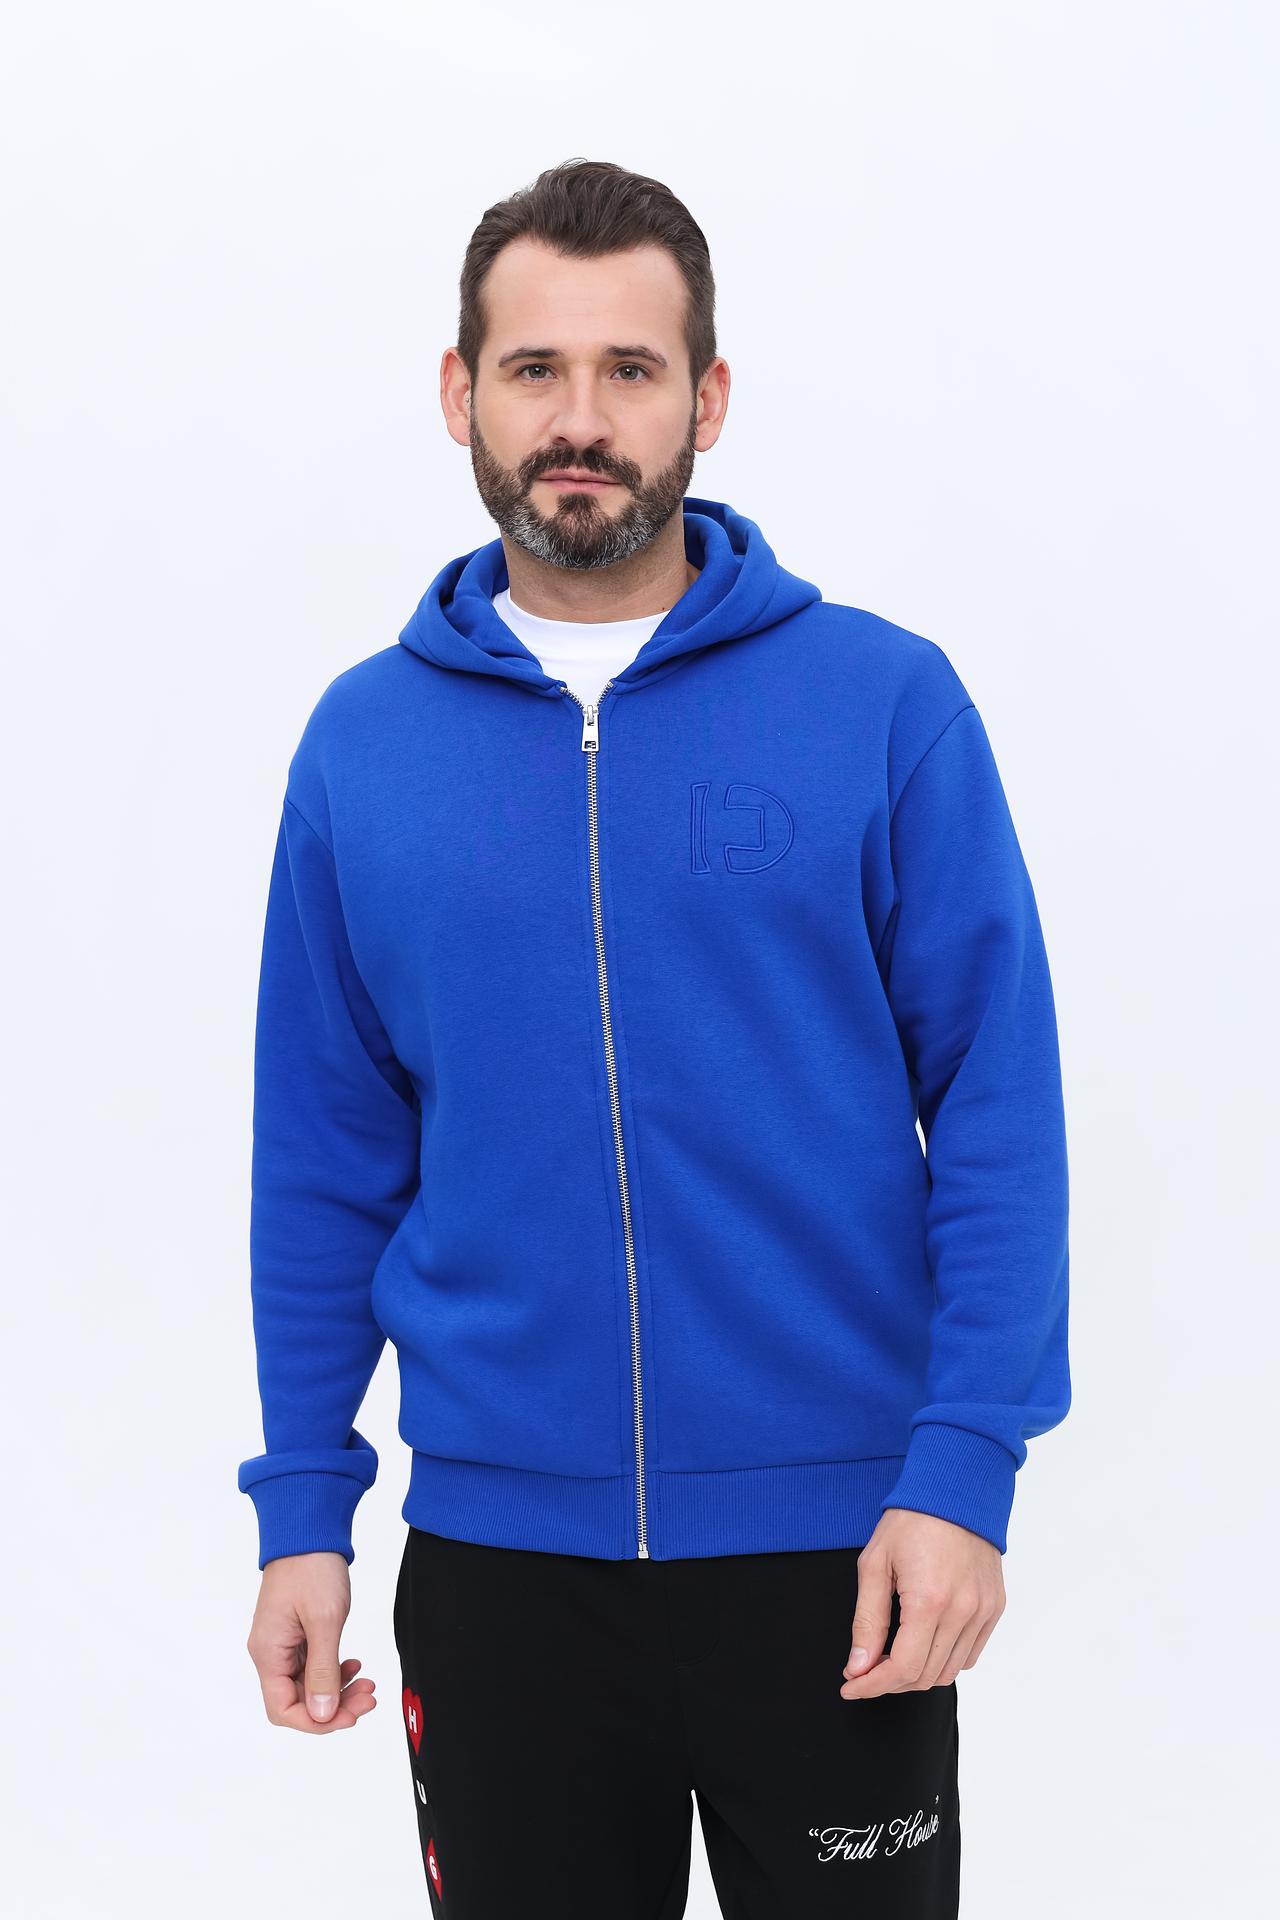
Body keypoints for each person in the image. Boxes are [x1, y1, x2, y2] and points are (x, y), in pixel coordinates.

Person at [238, 157, 1071, 1918]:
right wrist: (304, 1507)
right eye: (534, 368)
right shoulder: (364, 747)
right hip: (501, 1574)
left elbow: (997, 1107)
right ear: (460, 394)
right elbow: (323, 1161)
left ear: (707, 396)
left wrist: (965, 1470)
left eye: (630, 368)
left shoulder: (881, 703)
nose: (581, 418)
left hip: (843, 1558)